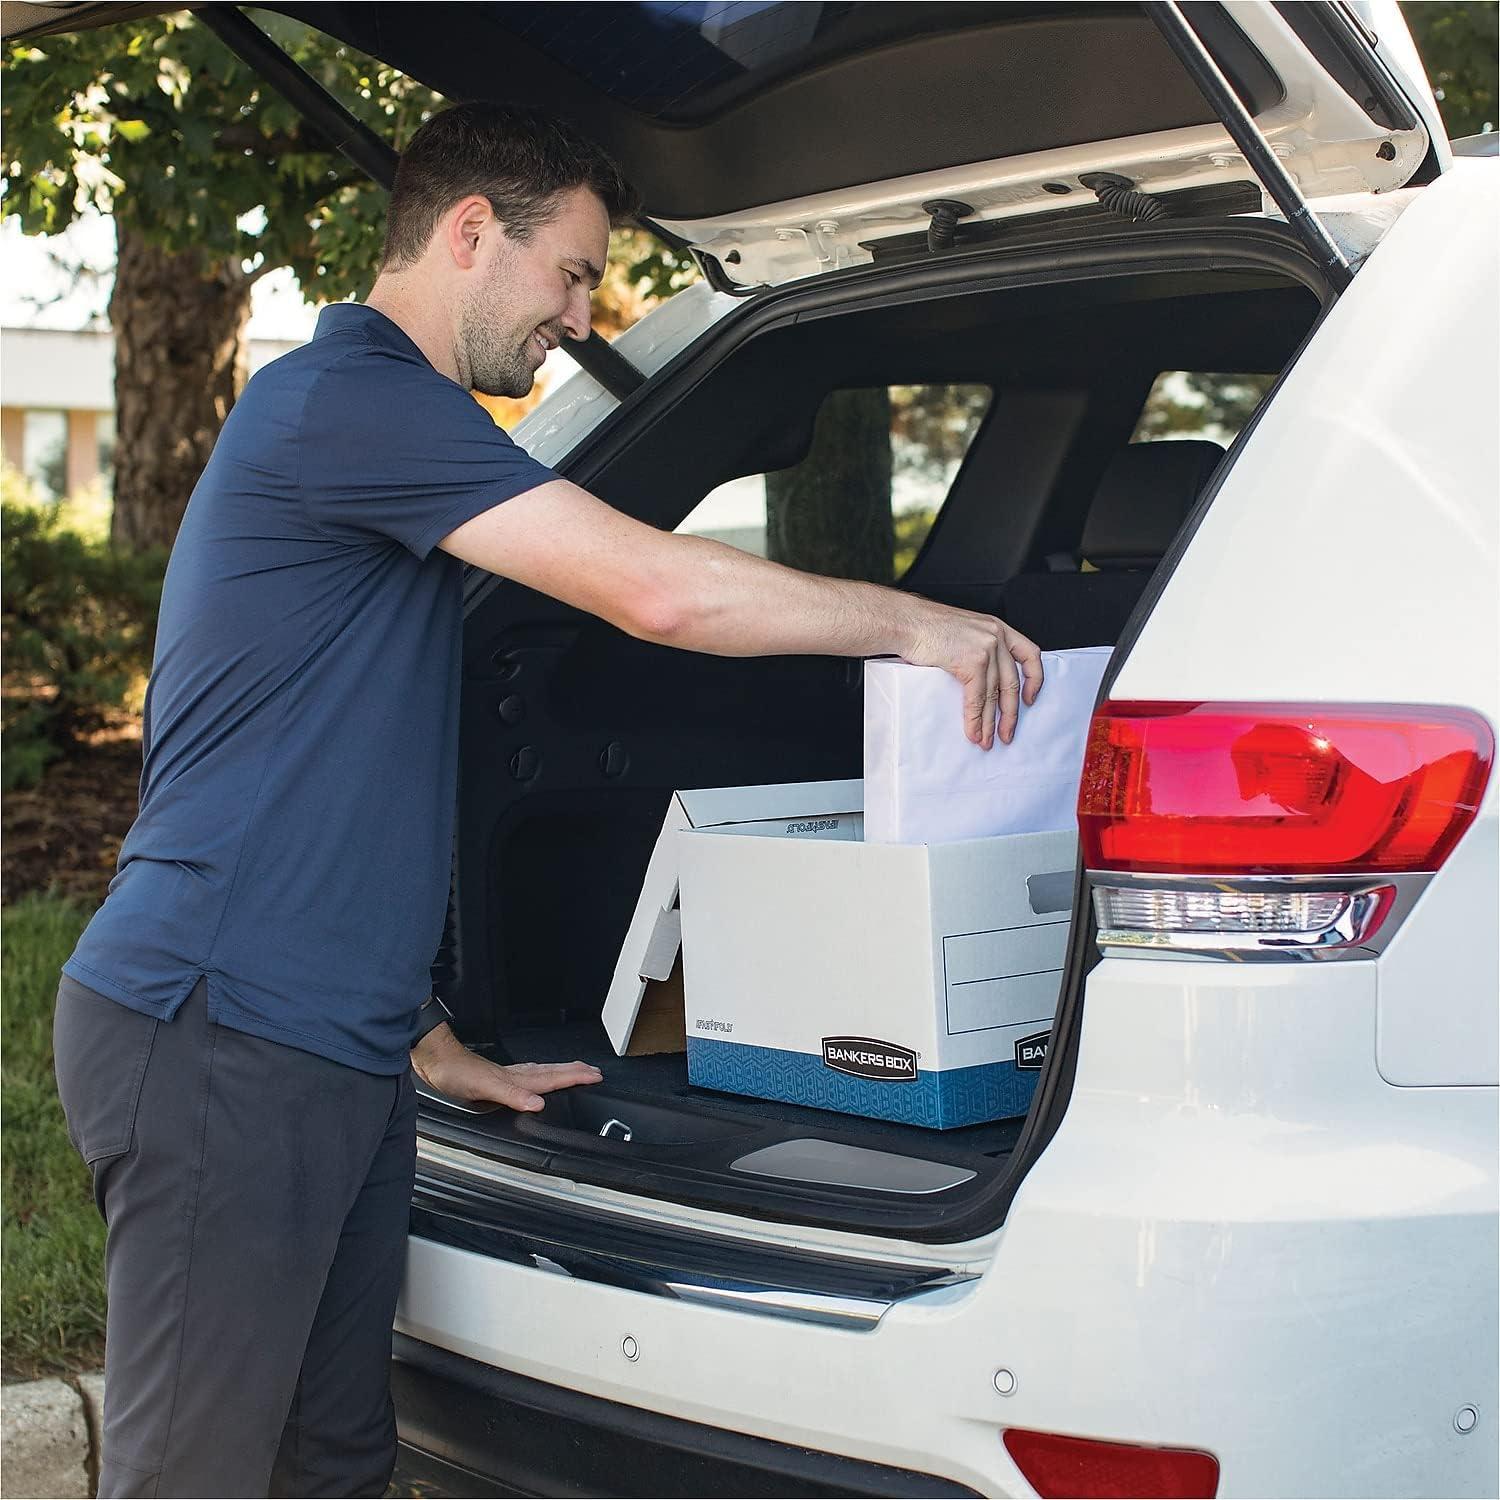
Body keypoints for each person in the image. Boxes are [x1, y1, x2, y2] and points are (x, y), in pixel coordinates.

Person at [52, 102, 1043, 1498]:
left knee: (330, 1461)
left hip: (327, 1043)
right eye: (570, 272)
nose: (581, 317)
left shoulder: (394, 428)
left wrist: (420, 1036)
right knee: (197, 1476)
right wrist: (916, 626)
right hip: (220, 1034)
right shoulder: (350, 402)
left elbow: (319, 758)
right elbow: (657, 590)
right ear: (471, 235)